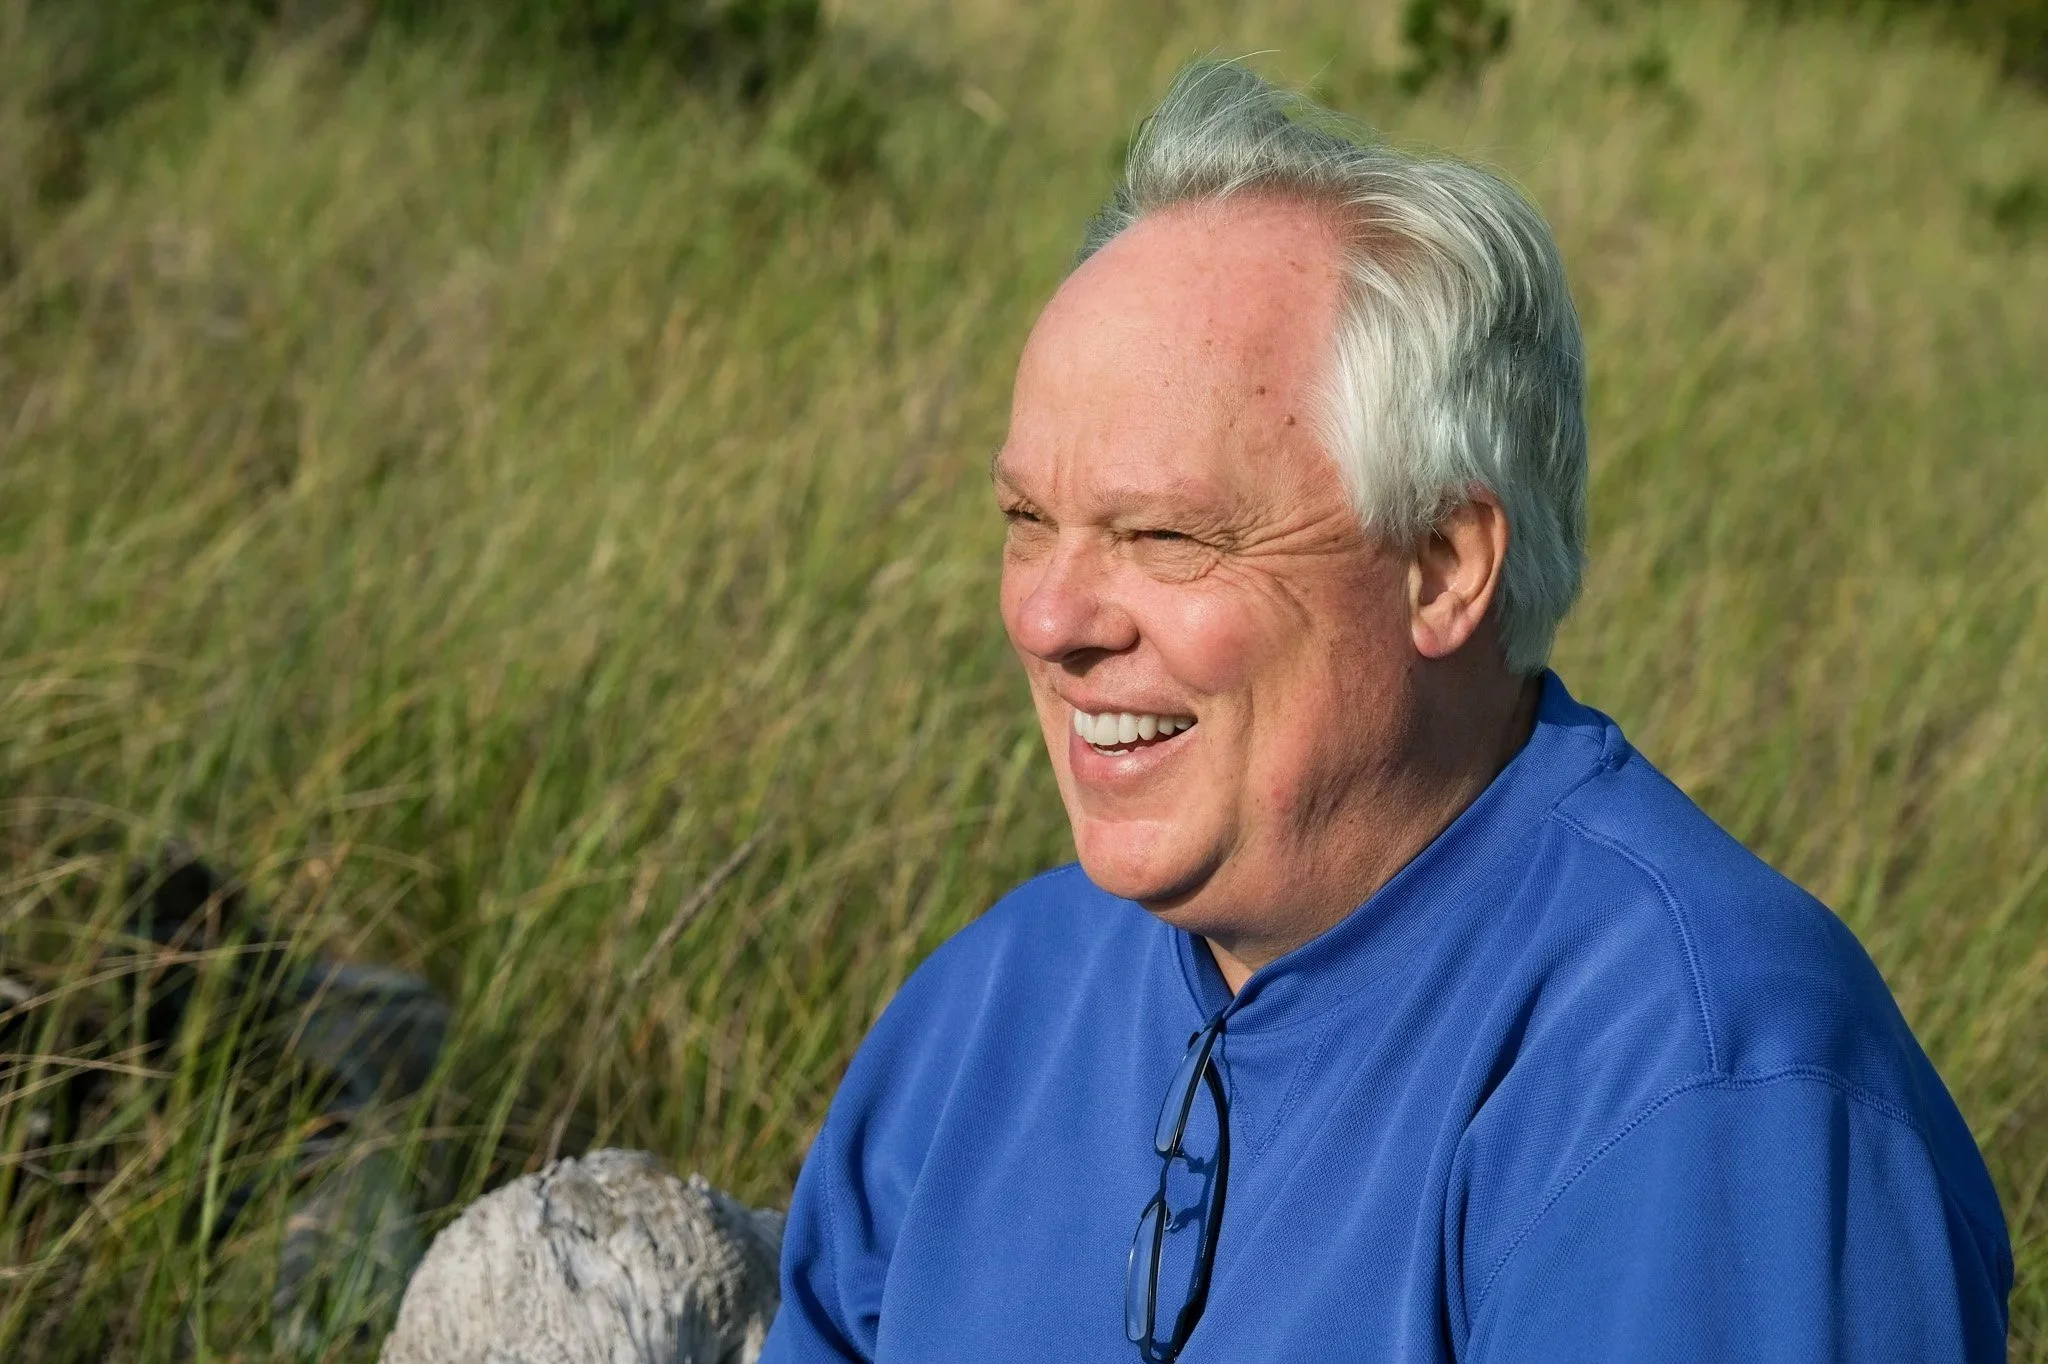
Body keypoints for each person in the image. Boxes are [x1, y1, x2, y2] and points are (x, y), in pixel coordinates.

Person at [758, 60, 2011, 1363]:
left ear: (1445, 567)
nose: (1047, 617)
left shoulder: (1710, 1091)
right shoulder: (992, 1009)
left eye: (1167, 536)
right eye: (1028, 520)